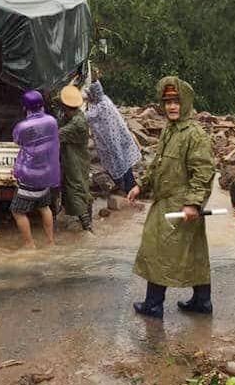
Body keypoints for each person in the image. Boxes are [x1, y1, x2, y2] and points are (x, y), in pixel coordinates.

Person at [128, 76, 216, 318]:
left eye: (176, 101)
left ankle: (153, 305)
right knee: (194, 253)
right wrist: (141, 186)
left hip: (181, 206)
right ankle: (202, 301)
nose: (172, 106)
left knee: (159, 251)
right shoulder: (170, 129)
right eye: (167, 102)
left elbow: (204, 172)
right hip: (167, 200)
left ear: (185, 102)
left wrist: (192, 203)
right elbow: (158, 164)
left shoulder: (194, 135)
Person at [10, 90, 61, 249]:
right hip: (47, 174)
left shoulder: (22, 126)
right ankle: (51, 242)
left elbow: (17, 142)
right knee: (44, 207)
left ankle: (29, 244)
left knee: (17, 211)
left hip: (29, 175)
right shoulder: (52, 121)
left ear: (25, 107)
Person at [85, 76, 142, 194]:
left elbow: (85, 117)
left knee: (119, 163)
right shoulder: (104, 100)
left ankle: (127, 189)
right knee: (124, 163)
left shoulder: (100, 107)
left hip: (112, 142)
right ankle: (127, 186)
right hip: (119, 138)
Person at [58, 85, 93, 232]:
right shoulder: (75, 116)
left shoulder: (77, 123)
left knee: (76, 188)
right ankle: (87, 219)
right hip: (75, 157)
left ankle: (87, 227)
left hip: (75, 159)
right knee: (79, 186)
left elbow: (57, 134)